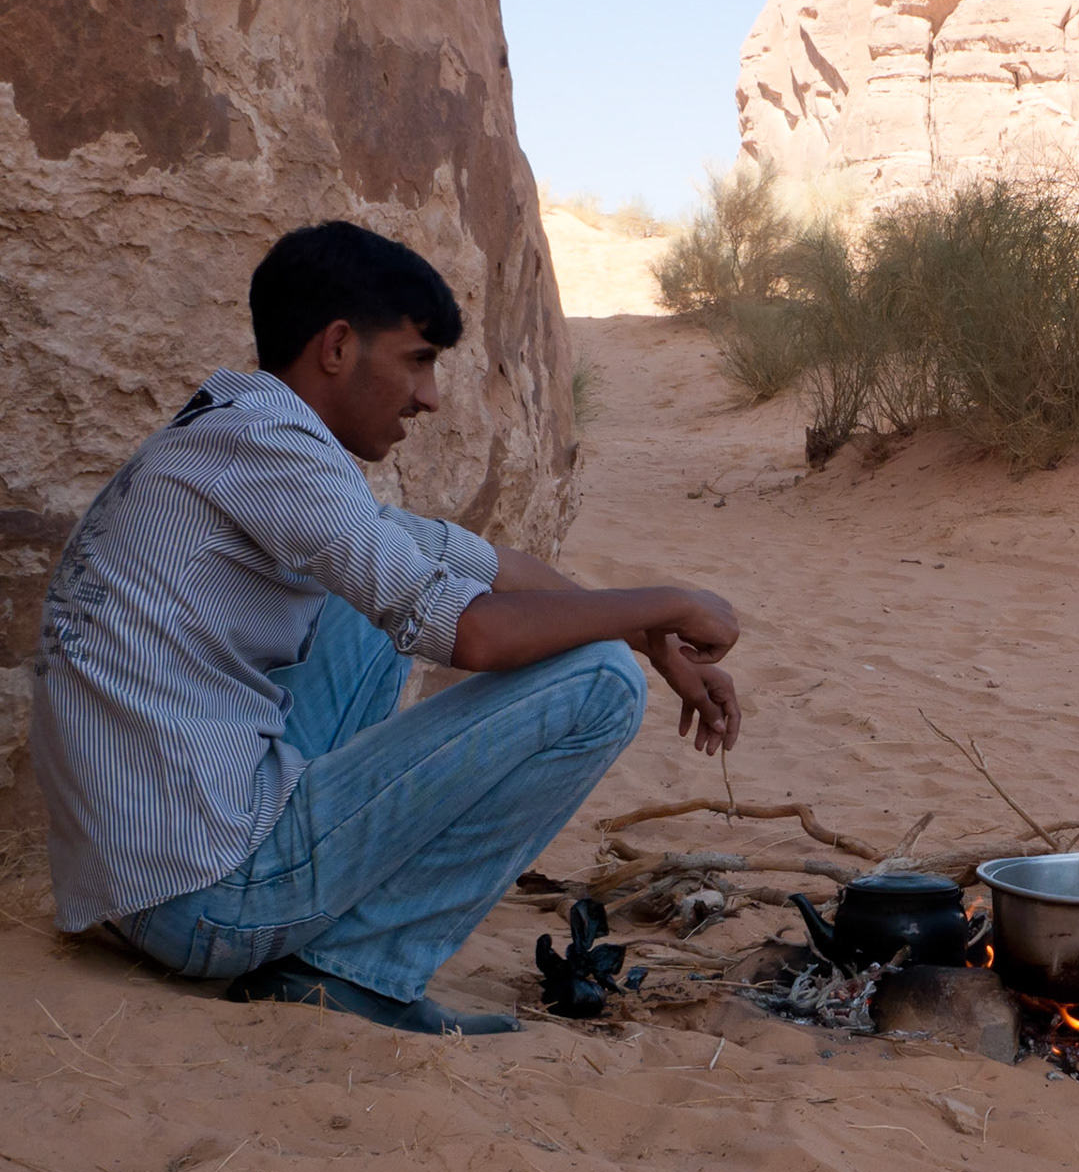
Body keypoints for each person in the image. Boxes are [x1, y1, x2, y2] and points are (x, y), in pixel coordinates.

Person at [30, 221, 743, 1035]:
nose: (430, 396)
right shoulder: (273, 449)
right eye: (418, 360)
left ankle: (319, 935)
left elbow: (476, 564)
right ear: (337, 347)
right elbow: (474, 635)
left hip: (136, 890)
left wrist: (653, 638)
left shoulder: (240, 430)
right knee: (598, 687)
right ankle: (356, 972)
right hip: (202, 902)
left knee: (379, 594)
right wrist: (665, 606)